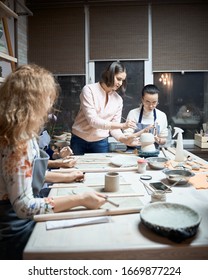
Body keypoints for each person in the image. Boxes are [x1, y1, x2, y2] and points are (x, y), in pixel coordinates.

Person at [0, 64, 107, 260]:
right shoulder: (17, 141)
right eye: (47, 97)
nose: (50, 104)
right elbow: (25, 207)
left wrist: (66, 176)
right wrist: (80, 199)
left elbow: (26, 176)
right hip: (13, 227)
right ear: (32, 100)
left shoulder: (24, 133)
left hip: (17, 216)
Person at [71, 61, 139, 155]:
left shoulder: (118, 100)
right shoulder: (89, 90)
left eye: (122, 80)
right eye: (118, 79)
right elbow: (93, 121)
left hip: (100, 142)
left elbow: (114, 128)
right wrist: (123, 125)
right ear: (109, 74)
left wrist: (124, 139)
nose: (120, 83)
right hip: (79, 140)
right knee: (76, 169)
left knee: (102, 168)